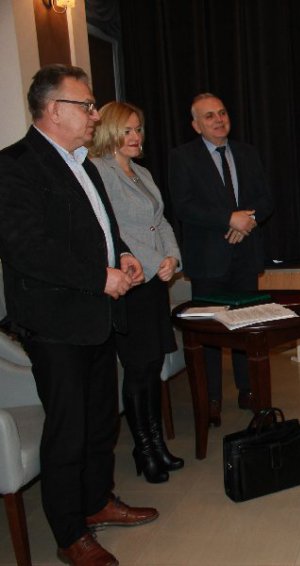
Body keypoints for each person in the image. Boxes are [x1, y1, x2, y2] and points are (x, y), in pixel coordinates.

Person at [0, 64, 158, 565]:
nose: (94, 114)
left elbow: (102, 227)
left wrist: (124, 254)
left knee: (100, 421)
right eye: (86, 105)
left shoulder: (83, 163)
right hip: (57, 322)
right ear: (53, 110)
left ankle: (96, 502)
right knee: (68, 430)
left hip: (97, 315)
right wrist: (98, 276)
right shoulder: (15, 165)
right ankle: (70, 533)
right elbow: (27, 249)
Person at [90, 101, 184, 484]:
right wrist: (151, 262)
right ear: (110, 131)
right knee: (137, 369)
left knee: (152, 367)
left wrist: (172, 258)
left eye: (138, 129)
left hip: (154, 283)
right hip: (130, 284)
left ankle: (156, 443)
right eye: (127, 130)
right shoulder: (98, 171)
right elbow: (110, 231)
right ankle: (144, 449)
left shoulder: (141, 171)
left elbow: (160, 222)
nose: (135, 136)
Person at [169, 93, 274, 425]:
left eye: (222, 113)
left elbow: (266, 199)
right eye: (209, 116)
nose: (218, 120)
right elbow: (183, 205)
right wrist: (229, 219)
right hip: (207, 261)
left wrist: (248, 221)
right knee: (209, 334)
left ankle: (248, 391)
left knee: (246, 327)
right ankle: (211, 398)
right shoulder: (182, 157)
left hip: (245, 256)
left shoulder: (247, 152)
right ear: (196, 125)